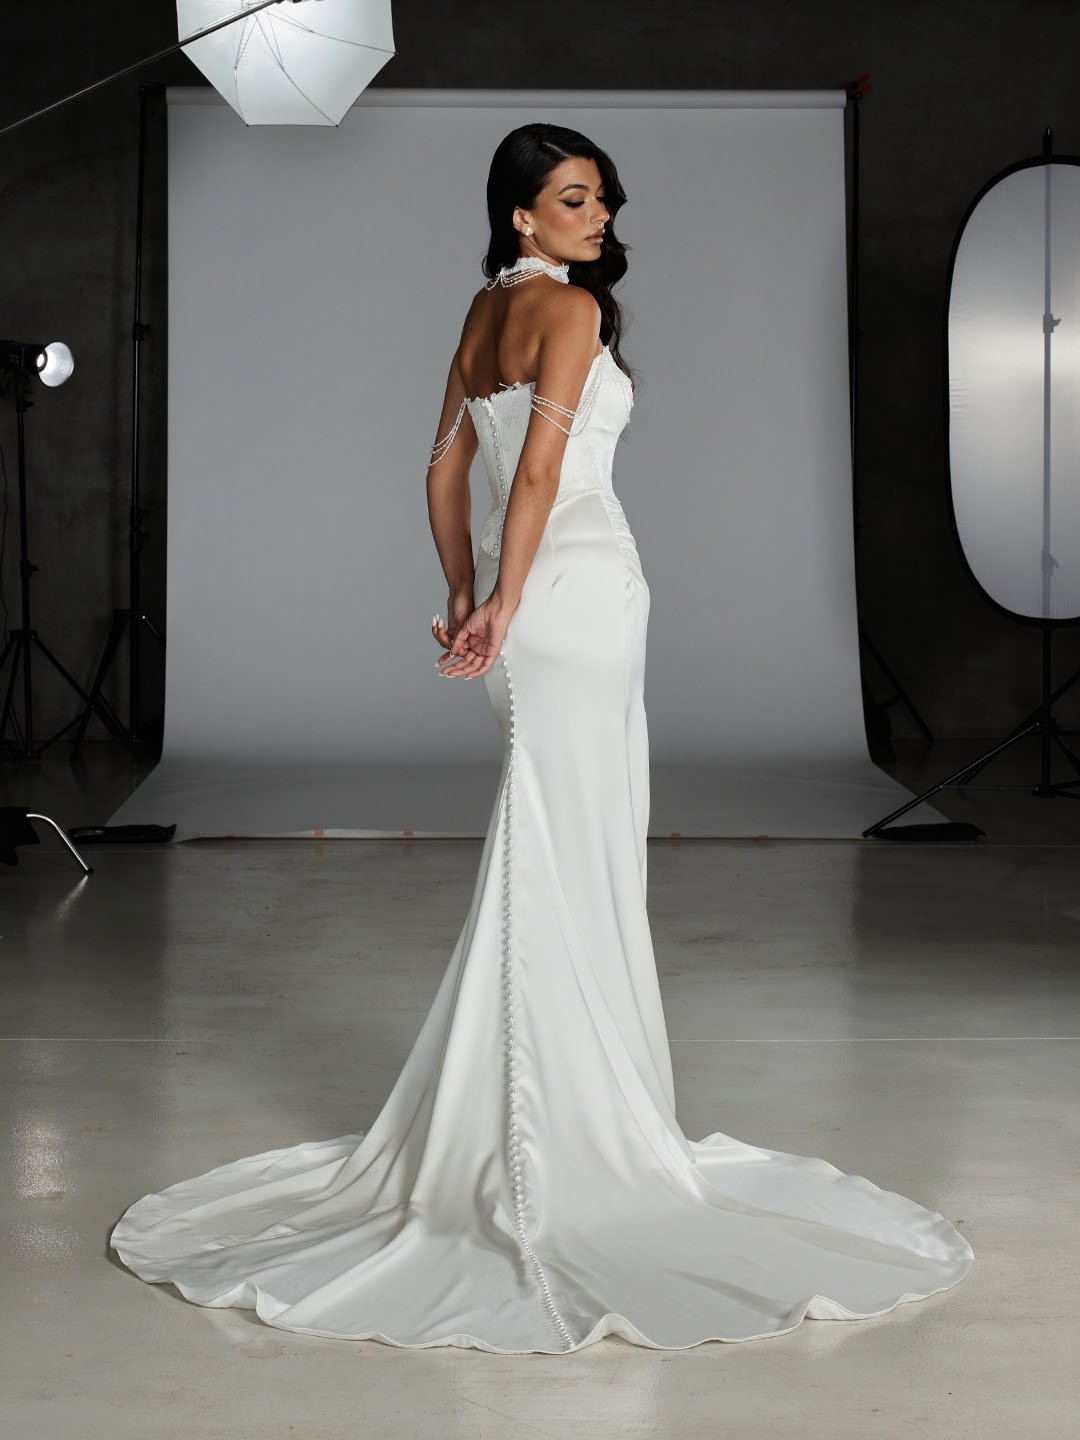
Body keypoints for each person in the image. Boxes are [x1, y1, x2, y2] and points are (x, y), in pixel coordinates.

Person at [109, 123, 973, 1354]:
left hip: (525, 613)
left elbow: (438, 469)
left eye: (605, 199)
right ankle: (573, 1138)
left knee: (549, 846)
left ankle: (543, 1113)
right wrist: (508, 600)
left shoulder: (479, 316)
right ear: (520, 214)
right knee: (581, 852)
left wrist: (469, 601)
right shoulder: (569, 315)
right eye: (574, 200)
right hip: (575, 598)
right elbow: (538, 477)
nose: (599, 217)